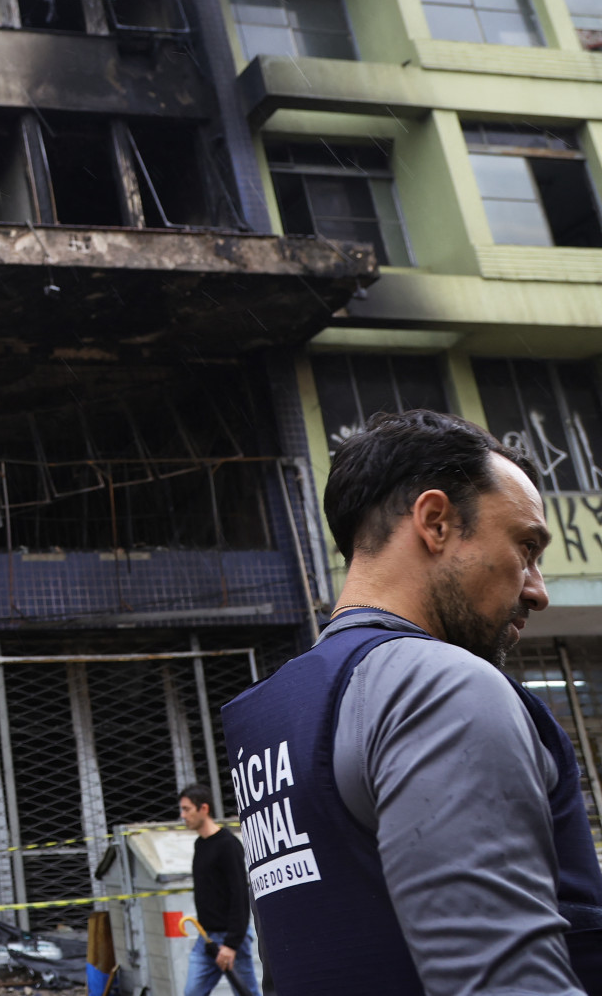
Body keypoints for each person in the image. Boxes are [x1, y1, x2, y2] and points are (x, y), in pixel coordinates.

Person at [224, 409, 602, 995]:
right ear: (436, 522)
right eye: (526, 547)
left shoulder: (278, 709)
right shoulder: (439, 685)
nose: (538, 589)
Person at [178, 783, 255, 996]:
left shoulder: (227, 845)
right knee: (192, 992)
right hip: (206, 937)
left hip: (231, 938)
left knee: (246, 993)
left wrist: (231, 944)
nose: (183, 815)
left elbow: (240, 895)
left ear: (204, 808)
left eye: (187, 809)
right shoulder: (200, 845)